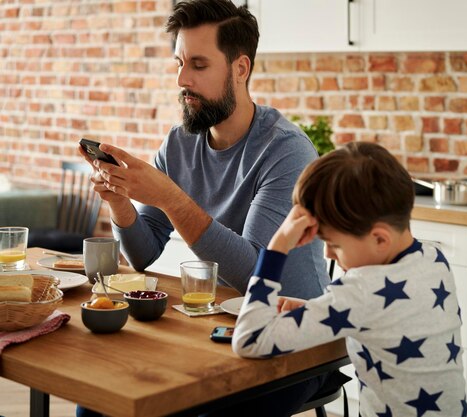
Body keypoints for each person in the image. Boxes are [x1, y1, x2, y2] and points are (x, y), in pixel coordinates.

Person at [77, 0, 328, 416]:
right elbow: (144, 253)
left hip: (291, 343)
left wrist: (170, 197)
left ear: (240, 68)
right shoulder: (179, 144)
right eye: (178, 62)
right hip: (213, 329)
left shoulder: (286, 151)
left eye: (198, 64)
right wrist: (122, 204)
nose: (181, 78)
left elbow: (254, 273)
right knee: (101, 404)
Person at [233, 142, 467, 417]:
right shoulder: (433, 259)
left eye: (335, 244)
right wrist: (322, 309)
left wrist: (277, 248)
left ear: (380, 238)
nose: (328, 253)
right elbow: (385, 320)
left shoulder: (359, 292)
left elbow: (249, 340)